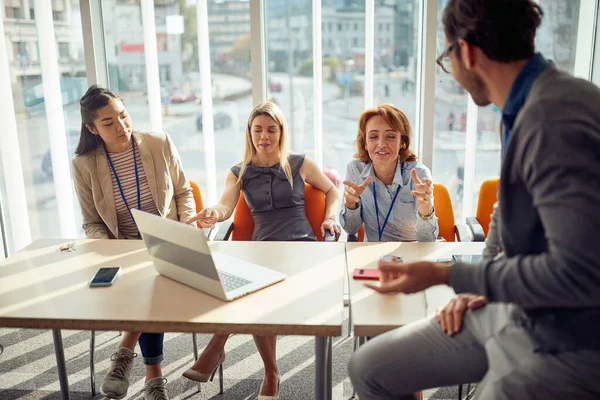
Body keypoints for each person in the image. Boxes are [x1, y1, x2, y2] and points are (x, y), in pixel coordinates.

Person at [348, 0, 600, 399]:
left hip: (567, 340)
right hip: (516, 306)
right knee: (367, 368)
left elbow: (578, 275)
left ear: (465, 51)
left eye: (446, 57)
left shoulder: (552, 120)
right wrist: (479, 283)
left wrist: (448, 275)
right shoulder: (521, 106)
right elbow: (504, 215)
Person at [182, 101, 341, 399]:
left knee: (255, 291)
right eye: (258, 130)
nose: (264, 136)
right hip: (261, 248)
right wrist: (214, 213)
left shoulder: (300, 163)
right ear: (249, 133)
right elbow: (225, 205)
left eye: (271, 130)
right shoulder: (239, 171)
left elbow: (333, 190)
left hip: (299, 246)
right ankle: (269, 371)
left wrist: (330, 216)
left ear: (281, 133)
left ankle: (221, 348)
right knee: (255, 287)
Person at [73, 85, 197, 400]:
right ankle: (153, 378)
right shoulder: (84, 165)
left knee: (151, 277)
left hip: (166, 239)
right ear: (92, 128)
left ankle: (126, 352)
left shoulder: (159, 143)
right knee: (146, 280)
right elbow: (91, 222)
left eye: (124, 116)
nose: (121, 126)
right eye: (108, 123)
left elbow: (183, 192)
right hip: (123, 248)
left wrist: (184, 231)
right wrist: (116, 249)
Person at [340, 104, 439, 242]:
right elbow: (351, 229)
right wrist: (351, 204)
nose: (381, 144)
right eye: (373, 136)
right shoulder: (355, 169)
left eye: (391, 136)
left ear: (402, 142)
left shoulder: (418, 174)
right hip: (372, 256)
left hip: (411, 255)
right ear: (365, 143)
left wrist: (425, 208)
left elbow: (427, 239)